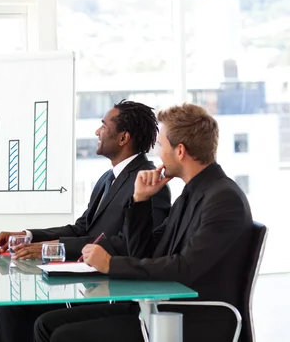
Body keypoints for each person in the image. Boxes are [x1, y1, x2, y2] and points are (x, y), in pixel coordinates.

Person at [34, 103, 253, 342]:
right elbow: (146, 251)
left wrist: (111, 265)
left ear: (180, 151)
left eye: (161, 145)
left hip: (190, 319)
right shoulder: (192, 194)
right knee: (46, 325)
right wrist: (139, 201)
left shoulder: (223, 198)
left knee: (65, 336)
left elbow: (185, 268)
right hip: (159, 309)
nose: (157, 153)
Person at [0, 100, 171, 342]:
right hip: (87, 286)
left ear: (123, 138)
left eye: (104, 126)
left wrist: (52, 249)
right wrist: (27, 235)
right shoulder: (108, 178)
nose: (97, 132)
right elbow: (81, 228)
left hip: (111, 295)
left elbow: (132, 245)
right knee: (3, 306)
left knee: (15, 308)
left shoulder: (148, 184)